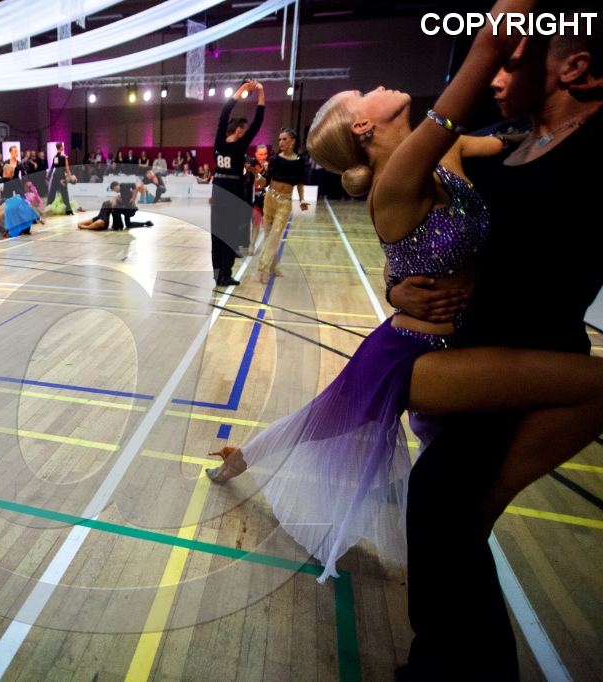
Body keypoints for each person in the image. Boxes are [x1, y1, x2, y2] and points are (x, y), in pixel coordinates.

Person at [208, 6, 603, 681]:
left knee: (330, 423)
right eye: (367, 93)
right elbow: (462, 96)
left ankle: (240, 457)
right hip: (415, 352)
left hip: (456, 343)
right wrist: (495, 42)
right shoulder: (403, 170)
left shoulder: (446, 150)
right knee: (323, 421)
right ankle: (238, 462)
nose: (384, 84)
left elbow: (508, 150)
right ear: (364, 127)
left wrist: (398, 284)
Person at [386, 11, 603, 679]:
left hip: (534, 360)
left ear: (575, 68)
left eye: (516, 62)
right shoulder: (512, 142)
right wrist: (400, 290)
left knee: (442, 504)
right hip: (477, 357)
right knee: (446, 510)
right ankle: (445, 661)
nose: (499, 79)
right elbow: (434, 238)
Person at [211, 81, 264, 287]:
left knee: (217, 236)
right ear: (240, 131)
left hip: (218, 195)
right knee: (229, 236)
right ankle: (225, 274)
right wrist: (260, 92)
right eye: (245, 129)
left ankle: (218, 274)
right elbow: (258, 121)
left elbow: (224, 112)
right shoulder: (240, 145)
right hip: (232, 195)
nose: (247, 131)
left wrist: (240, 91)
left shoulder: (219, 141)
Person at [257, 128, 309, 283]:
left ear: (293, 141)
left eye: (284, 139)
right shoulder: (275, 159)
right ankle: (274, 266)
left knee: (274, 236)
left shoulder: (299, 160)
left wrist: (302, 200)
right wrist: (256, 175)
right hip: (270, 199)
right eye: (279, 139)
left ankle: (263, 268)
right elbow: (266, 181)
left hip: (285, 202)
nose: (281, 142)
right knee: (268, 236)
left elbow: (300, 182)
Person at [47, 142, 74, 215]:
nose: (64, 147)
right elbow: (65, 168)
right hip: (61, 177)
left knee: (52, 194)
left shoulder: (55, 157)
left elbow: (52, 168)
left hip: (55, 177)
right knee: (65, 194)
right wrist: (66, 177)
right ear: (61, 147)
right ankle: (68, 211)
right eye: (63, 146)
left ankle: (48, 209)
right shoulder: (63, 157)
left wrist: (48, 178)